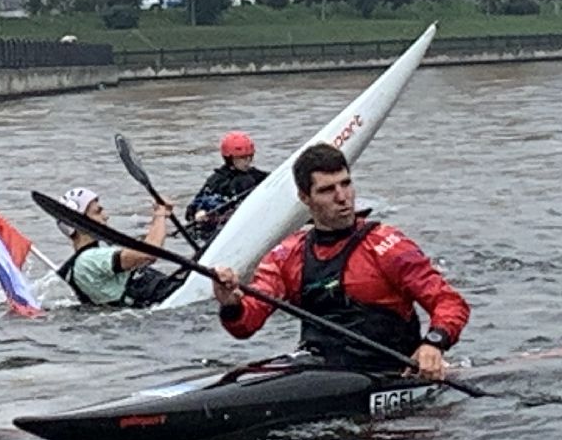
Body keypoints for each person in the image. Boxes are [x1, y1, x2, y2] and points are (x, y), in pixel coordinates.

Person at [210, 143, 469, 378]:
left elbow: (450, 302)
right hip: (320, 372)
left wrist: (434, 343)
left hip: (387, 373)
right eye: (327, 190)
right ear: (304, 197)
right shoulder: (287, 255)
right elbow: (245, 325)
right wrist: (231, 303)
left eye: (345, 184)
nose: (342, 197)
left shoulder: (387, 245)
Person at [56, 188, 179, 307]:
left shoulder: (88, 258)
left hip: (164, 298)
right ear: (78, 222)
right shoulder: (89, 259)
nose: (106, 216)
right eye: (97, 212)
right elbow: (148, 253)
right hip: (167, 301)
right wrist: (159, 215)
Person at [185, 130, 269, 242]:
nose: (248, 161)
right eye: (243, 158)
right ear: (230, 158)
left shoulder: (257, 176)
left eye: (250, 157)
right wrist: (200, 212)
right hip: (221, 230)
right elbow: (196, 205)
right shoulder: (217, 180)